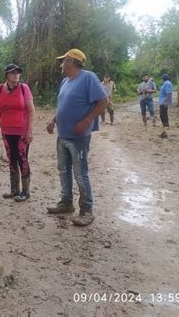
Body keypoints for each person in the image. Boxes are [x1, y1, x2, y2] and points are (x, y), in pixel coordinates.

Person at [45, 49, 107, 226]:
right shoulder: (65, 81)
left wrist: (86, 120)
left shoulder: (88, 78)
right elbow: (64, 105)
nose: (61, 64)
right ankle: (66, 202)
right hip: (63, 134)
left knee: (80, 173)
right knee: (63, 170)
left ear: (71, 61)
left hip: (78, 137)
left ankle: (87, 210)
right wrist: (53, 120)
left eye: (63, 61)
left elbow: (103, 101)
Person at [0, 63, 35, 202]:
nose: (16, 75)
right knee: (11, 159)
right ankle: (14, 190)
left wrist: (30, 131)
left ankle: (26, 191)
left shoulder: (24, 88)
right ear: (7, 75)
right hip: (6, 130)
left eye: (18, 72)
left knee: (22, 158)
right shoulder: (0, 89)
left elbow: (31, 111)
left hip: (22, 131)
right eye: (13, 72)